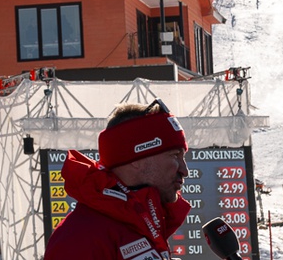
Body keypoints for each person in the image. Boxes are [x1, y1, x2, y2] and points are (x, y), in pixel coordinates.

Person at [44, 100, 191, 260]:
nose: (185, 171)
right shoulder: (80, 237)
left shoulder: (142, 224)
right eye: (174, 155)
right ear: (136, 159)